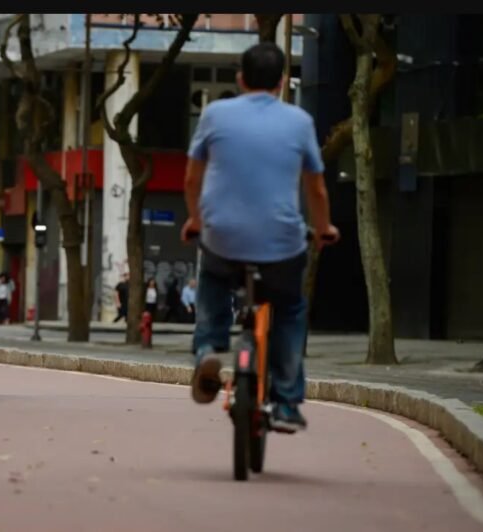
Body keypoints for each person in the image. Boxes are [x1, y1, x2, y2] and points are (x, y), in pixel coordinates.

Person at [181, 42, 340, 433]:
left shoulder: (215, 114)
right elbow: (316, 190)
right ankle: (286, 402)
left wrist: (196, 219)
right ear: (283, 82)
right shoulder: (300, 121)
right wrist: (324, 229)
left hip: (223, 237)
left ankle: (208, 348)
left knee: (214, 281)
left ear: (240, 79)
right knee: (288, 310)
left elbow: (191, 178)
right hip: (281, 244)